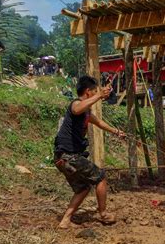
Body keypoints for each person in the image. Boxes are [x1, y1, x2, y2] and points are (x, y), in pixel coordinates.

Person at [54, 75, 126, 229]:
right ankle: (103, 213)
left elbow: (99, 123)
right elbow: (77, 108)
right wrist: (100, 95)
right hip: (68, 155)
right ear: (87, 92)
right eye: (94, 92)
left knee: (83, 188)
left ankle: (65, 220)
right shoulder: (76, 104)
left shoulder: (86, 112)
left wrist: (116, 131)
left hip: (64, 158)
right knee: (100, 177)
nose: (96, 94)